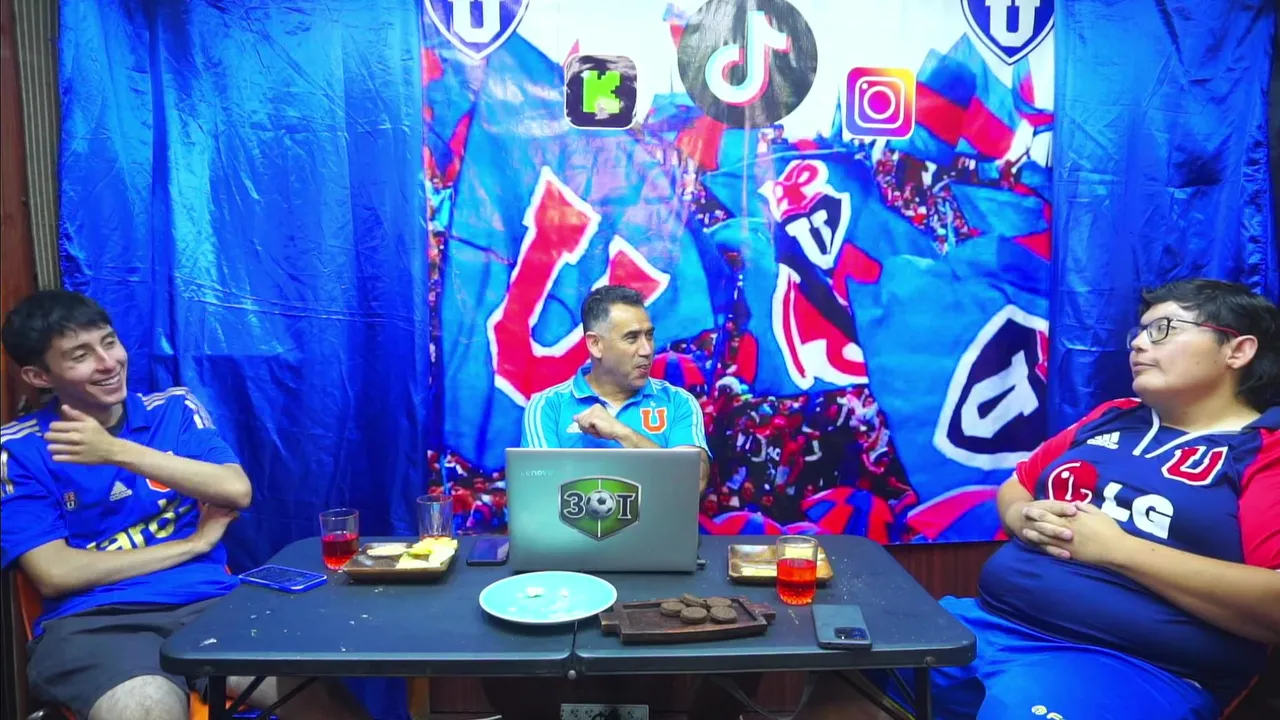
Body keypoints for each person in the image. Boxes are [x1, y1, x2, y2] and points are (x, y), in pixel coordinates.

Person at [800, 278, 1280, 720]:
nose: (1137, 343)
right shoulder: (1113, 417)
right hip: (990, 623)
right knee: (844, 664)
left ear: (1237, 350)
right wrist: (1020, 515)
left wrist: (1119, 551)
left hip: (1133, 663)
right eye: (1139, 332)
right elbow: (1019, 484)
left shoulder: (1265, 451)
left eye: (1163, 330)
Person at [0, 290, 371, 720]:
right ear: (38, 376)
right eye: (80, 355)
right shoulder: (18, 449)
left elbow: (236, 490)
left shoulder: (173, 410)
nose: (108, 363)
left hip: (210, 605)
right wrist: (193, 545)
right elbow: (55, 574)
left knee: (321, 696)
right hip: (95, 622)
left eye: (109, 342)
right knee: (149, 708)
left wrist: (115, 451)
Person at [483, 284, 755, 720]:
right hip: (568, 577)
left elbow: (693, 483)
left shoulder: (678, 403)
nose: (647, 350)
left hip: (662, 579)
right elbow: (535, 506)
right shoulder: (547, 407)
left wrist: (620, 432)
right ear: (595, 344)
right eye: (632, 338)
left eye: (649, 335)